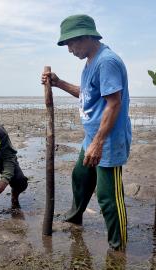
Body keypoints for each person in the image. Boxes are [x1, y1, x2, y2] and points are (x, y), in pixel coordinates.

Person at [41, 14, 131, 251]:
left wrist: (99, 143)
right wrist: (59, 83)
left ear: (88, 37)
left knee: (108, 197)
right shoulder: (91, 62)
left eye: (72, 43)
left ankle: (118, 247)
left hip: (108, 140)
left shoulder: (106, 61)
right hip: (92, 137)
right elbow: (88, 94)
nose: (70, 49)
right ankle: (74, 219)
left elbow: (114, 104)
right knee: (80, 178)